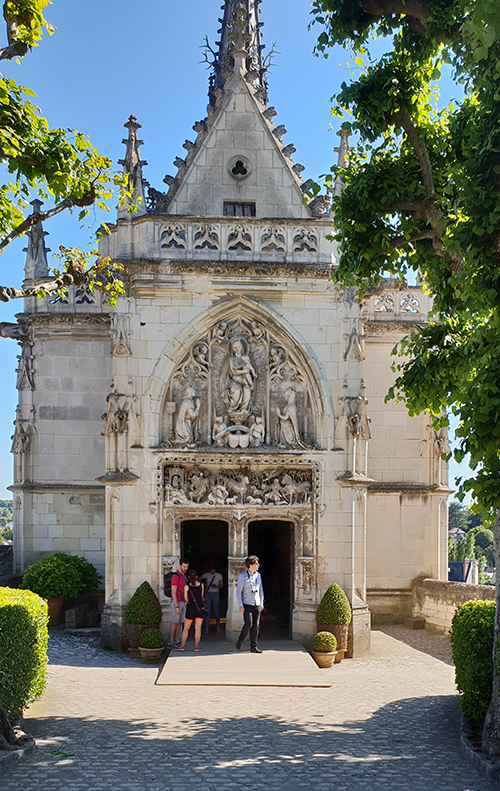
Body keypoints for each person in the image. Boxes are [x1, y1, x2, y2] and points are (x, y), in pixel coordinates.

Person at [235, 555, 264, 653]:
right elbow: (239, 591)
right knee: (248, 623)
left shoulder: (258, 575)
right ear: (250, 565)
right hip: (247, 604)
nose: (258, 565)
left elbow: (260, 589)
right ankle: (240, 640)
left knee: (256, 626)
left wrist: (261, 602)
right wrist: (240, 605)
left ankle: (254, 646)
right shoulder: (242, 576)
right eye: (256, 563)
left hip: (256, 603)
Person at [176, 570, 206, 652]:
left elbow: (186, 599)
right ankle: (196, 646)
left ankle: (182, 646)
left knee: (186, 628)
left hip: (190, 609)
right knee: (198, 629)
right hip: (199, 609)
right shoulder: (201, 585)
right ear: (196, 576)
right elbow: (202, 597)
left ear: (188, 577)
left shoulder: (186, 587)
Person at [168, 557, 189, 648]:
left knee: (180, 622)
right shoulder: (175, 576)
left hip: (183, 602)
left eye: (186, 567)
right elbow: (173, 592)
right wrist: (176, 606)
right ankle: (170, 641)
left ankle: (176, 640)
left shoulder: (184, 576)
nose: (185, 568)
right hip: (177, 602)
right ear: (180, 565)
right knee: (174, 622)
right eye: (184, 566)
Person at [200, 566, 223, 634]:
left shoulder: (219, 575)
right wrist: (204, 584)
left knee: (216, 610)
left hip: (215, 593)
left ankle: (218, 625)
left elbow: (221, 585)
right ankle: (206, 627)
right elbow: (198, 579)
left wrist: (216, 586)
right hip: (208, 593)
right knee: (207, 610)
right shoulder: (206, 574)